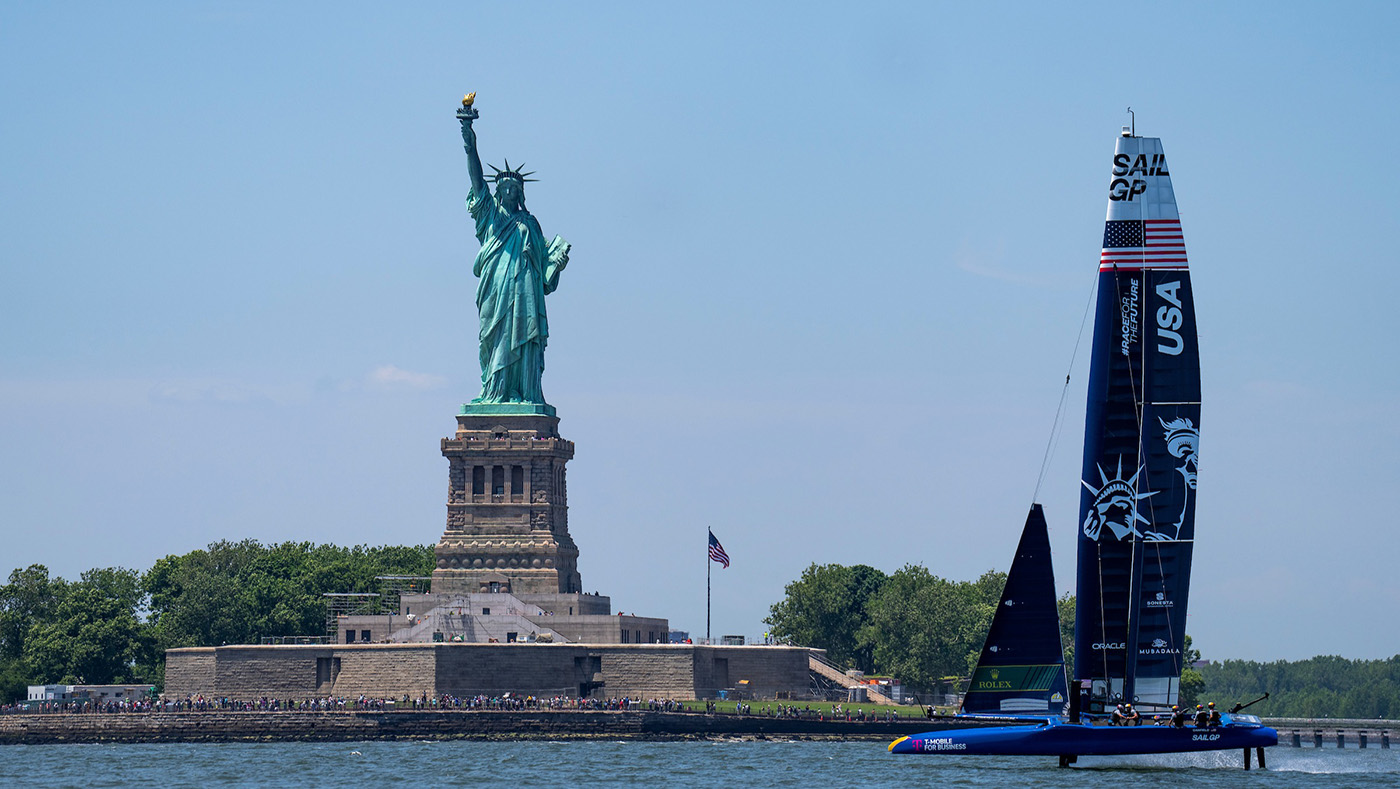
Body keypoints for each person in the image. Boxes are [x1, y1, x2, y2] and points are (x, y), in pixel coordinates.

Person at [459, 106, 570, 405]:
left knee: (524, 338)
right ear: (497, 191)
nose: (508, 191)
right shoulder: (490, 215)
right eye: (504, 187)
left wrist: (557, 264)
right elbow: (476, 179)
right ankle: (495, 392)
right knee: (494, 338)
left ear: (521, 193)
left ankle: (524, 391)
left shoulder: (530, 223)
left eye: (514, 188)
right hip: (496, 288)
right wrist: (469, 138)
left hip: (525, 291)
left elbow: (545, 270)